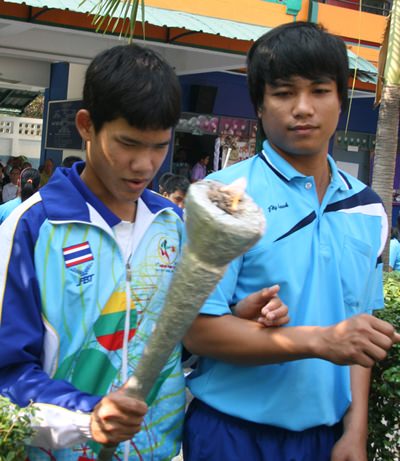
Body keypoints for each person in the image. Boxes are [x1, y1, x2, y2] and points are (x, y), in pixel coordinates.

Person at [183, 22, 400, 461]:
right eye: (284, 93)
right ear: (259, 105)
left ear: (341, 100)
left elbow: (358, 327)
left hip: (326, 439)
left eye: (320, 91)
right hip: (232, 436)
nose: (303, 108)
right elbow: (198, 331)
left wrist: (355, 432)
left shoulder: (367, 208)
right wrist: (318, 340)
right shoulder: (224, 197)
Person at [0, 43, 185, 461]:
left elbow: (181, 336)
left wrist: (240, 313)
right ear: (86, 126)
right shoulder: (35, 228)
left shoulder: (172, 224)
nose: (145, 164)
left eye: (159, 146)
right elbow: (7, 373)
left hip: (156, 451)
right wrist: (88, 416)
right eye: (128, 143)